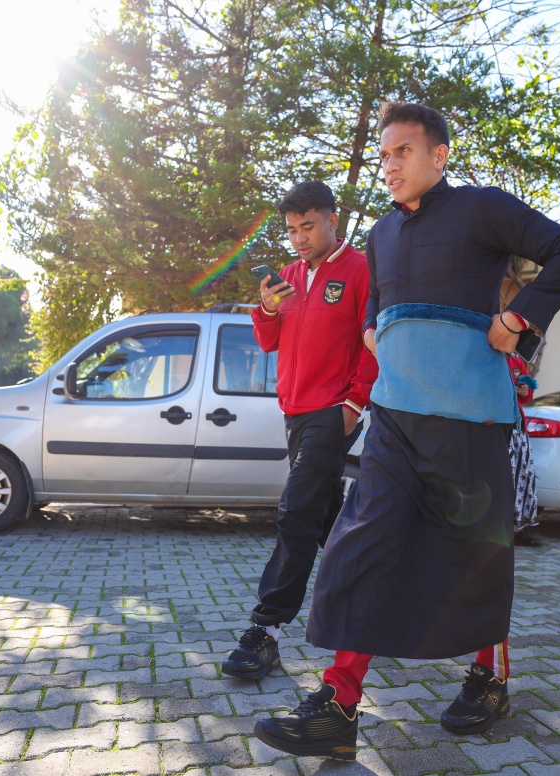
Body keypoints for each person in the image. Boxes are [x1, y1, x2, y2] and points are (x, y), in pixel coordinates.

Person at [253, 103, 560, 761]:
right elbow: (375, 310)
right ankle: (338, 705)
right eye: (383, 156)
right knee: (361, 545)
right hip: (394, 422)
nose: (389, 165)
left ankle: (489, 676)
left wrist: (519, 319)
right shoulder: (380, 234)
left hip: (471, 418)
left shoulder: (483, 208)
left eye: (402, 152)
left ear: (439, 155)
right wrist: (375, 332)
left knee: (476, 557)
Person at [221, 181, 378, 679]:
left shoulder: (360, 270)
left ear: (334, 221)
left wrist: (354, 403)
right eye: (291, 230)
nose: (299, 238)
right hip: (294, 413)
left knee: (295, 512)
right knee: (327, 516)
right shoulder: (287, 276)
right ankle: (376, 594)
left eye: (308, 227)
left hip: (334, 412)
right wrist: (267, 308)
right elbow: (269, 342)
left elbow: (373, 342)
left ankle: (266, 631)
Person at [508, 354, 542, 547]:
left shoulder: (517, 361)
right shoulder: (491, 355)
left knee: (524, 477)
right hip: (498, 426)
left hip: (519, 429)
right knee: (505, 479)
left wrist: (524, 391)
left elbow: (528, 396)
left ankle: (520, 529)